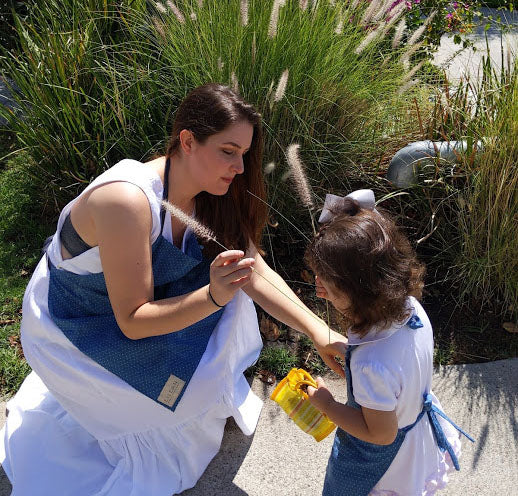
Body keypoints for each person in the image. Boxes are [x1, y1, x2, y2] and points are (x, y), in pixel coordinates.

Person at [0, 83, 347, 496]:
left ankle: (165, 403)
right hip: (72, 321)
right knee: (214, 319)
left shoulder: (209, 194)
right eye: (227, 151)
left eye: (244, 154)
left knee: (231, 305)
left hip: (127, 303)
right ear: (187, 141)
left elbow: (252, 268)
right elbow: (131, 322)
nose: (239, 167)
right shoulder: (126, 201)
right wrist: (212, 295)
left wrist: (318, 330)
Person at [303, 191, 474, 496]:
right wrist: (351, 356)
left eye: (326, 285)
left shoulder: (372, 365)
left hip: (383, 466)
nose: (319, 290)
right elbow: (398, 370)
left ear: (358, 293)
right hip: (415, 432)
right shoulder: (411, 309)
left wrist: (328, 405)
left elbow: (380, 434)